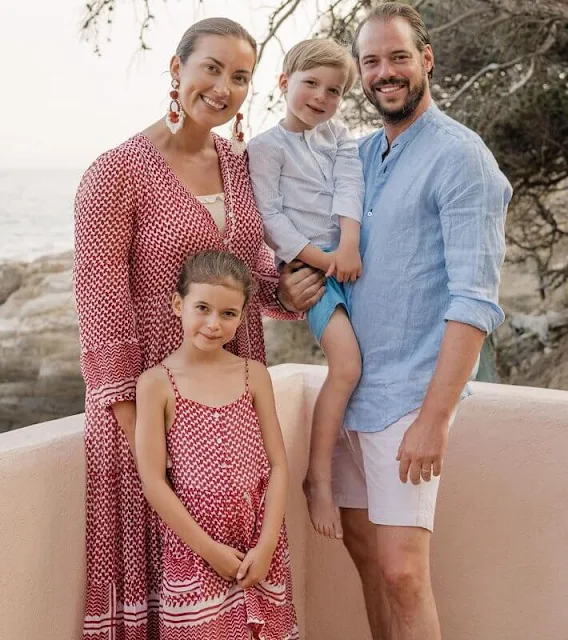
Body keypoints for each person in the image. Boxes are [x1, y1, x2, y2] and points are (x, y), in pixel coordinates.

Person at [73, 17, 321, 639]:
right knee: (177, 597)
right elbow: (102, 317)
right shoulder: (115, 173)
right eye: (211, 67)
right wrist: (146, 436)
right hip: (153, 412)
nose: (224, 87)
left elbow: (247, 274)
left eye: (241, 77)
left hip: (233, 408)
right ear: (177, 69)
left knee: (241, 597)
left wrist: (284, 291)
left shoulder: (238, 166)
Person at [281, 4, 512, 639]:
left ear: (426, 59)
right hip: (353, 392)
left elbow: (474, 301)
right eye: (372, 61)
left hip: (410, 397)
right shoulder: (358, 155)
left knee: (403, 571)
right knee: (362, 552)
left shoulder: (463, 159)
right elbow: (313, 235)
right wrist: (294, 282)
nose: (386, 72)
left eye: (398, 57)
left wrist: (434, 420)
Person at [135, 250, 299, 640]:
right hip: (195, 551)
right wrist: (210, 550)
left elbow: (277, 464)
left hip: (260, 546)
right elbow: (153, 482)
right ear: (179, 305)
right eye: (203, 308)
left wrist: (267, 545)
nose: (213, 324)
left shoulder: (253, 375)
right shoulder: (156, 384)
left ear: (242, 316)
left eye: (228, 313)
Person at [248, 38, 365, 540]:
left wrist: (351, 247)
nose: (321, 97)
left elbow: (350, 187)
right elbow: (270, 218)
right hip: (314, 275)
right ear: (283, 83)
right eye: (310, 84)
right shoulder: (264, 148)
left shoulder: (338, 134)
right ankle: (318, 478)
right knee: (347, 365)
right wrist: (325, 260)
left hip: (354, 259)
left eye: (334, 90)